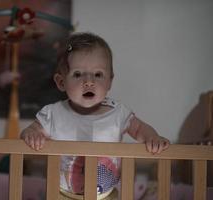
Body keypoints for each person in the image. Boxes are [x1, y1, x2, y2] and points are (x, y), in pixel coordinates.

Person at [20, 32, 170, 200]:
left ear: (109, 82)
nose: (89, 81)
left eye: (98, 74)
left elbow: (139, 128)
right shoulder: (54, 113)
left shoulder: (118, 113)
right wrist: (32, 134)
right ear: (61, 82)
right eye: (78, 74)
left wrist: (152, 137)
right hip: (62, 194)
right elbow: (33, 130)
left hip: (106, 195)